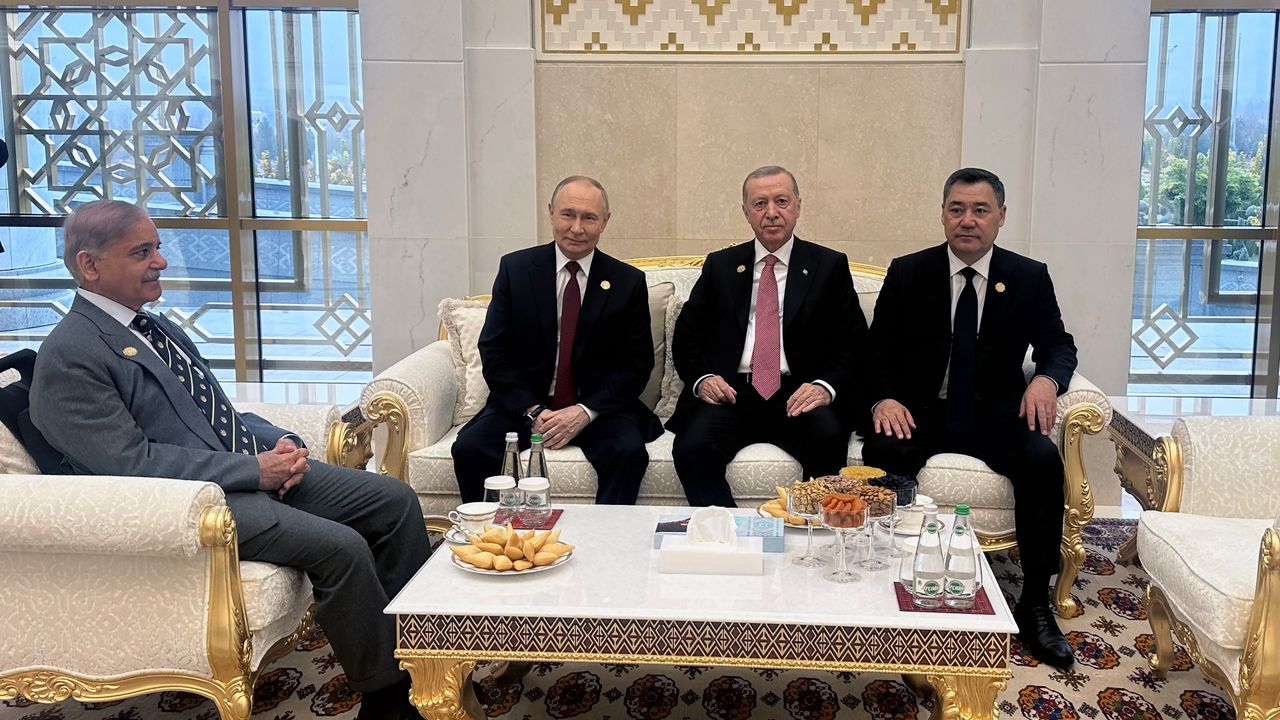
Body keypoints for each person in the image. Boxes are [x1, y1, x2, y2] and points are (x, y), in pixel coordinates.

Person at [29, 199, 429, 720]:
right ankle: (389, 698)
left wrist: (282, 443)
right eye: (142, 252)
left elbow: (216, 413)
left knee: (394, 500)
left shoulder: (153, 328)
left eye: (157, 247)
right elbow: (130, 464)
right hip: (198, 504)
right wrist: (253, 471)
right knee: (342, 547)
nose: (161, 261)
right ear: (90, 265)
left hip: (245, 473)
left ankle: (423, 661)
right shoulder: (70, 356)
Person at [862, 167, 1078, 670]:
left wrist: (1046, 381)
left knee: (1042, 460)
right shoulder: (909, 272)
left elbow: (1058, 345)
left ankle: (1035, 604)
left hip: (995, 414)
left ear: (1000, 217)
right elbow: (876, 352)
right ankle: (887, 582)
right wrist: (883, 399)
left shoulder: (1027, 276)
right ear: (942, 215)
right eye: (956, 209)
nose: (967, 220)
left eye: (980, 210)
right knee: (884, 450)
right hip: (921, 412)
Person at [451, 176, 663, 504]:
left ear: (605, 221)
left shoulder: (627, 281)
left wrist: (584, 411)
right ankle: (494, 532)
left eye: (589, 217)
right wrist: (533, 410)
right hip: (523, 404)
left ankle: (605, 536)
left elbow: (636, 364)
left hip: (597, 408)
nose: (576, 227)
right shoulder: (516, 269)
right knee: (470, 448)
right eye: (567, 214)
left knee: (628, 453)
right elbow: (494, 350)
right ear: (551, 212)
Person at [668, 165, 867, 507]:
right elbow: (687, 336)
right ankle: (729, 528)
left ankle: (809, 529)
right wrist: (703, 379)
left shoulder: (828, 265)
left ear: (798, 206)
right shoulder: (721, 265)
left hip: (798, 394)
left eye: (781, 201)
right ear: (746, 212)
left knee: (828, 434)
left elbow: (853, 342)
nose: (771, 212)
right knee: (691, 446)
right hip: (732, 393)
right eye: (760, 204)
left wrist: (825, 386)